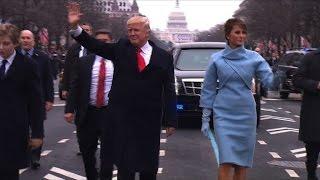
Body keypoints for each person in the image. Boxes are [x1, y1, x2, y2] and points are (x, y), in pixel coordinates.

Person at [67, 2, 177, 180]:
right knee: (125, 168)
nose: (132, 33)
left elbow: (169, 89)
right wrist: (75, 27)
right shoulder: (121, 49)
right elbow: (96, 45)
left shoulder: (163, 57)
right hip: (122, 120)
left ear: (147, 32)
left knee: (148, 169)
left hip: (148, 121)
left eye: (136, 30)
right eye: (129, 30)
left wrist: (170, 119)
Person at [200, 18, 275, 180]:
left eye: (243, 33)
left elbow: (268, 77)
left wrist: (274, 79)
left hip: (246, 114)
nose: (241, 36)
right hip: (224, 114)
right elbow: (208, 89)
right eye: (237, 32)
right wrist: (205, 118)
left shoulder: (254, 57)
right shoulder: (216, 59)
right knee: (225, 161)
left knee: (242, 163)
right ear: (228, 35)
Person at [65, 29, 114, 180]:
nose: (101, 43)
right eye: (98, 40)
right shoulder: (84, 62)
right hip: (88, 114)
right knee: (87, 152)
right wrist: (69, 109)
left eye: (105, 41)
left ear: (111, 42)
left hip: (110, 114)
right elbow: (75, 86)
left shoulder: (118, 62)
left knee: (109, 154)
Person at [0, 23, 44, 180]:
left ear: (15, 44)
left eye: (6, 43)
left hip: (14, 130)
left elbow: (36, 102)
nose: (1, 47)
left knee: (8, 173)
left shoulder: (28, 65)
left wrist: (38, 133)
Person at [18, 30, 54, 169]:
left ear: (33, 40)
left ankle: (35, 156)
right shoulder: (13, 55)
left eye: (28, 38)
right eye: (23, 38)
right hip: (18, 99)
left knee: (37, 128)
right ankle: (23, 155)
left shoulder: (43, 57)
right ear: (19, 40)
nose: (25, 40)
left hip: (38, 99)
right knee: (20, 128)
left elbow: (48, 80)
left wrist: (49, 99)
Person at [293, 49, 320, 180]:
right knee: (312, 154)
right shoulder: (310, 57)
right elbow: (297, 79)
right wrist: (316, 85)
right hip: (314, 113)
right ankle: (311, 174)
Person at [61, 22, 93, 100]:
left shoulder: (95, 48)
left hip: (91, 86)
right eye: (83, 30)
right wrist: (65, 88)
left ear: (91, 32)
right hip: (75, 85)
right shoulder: (72, 48)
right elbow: (67, 68)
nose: (85, 32)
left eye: (87, 30)